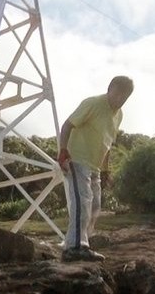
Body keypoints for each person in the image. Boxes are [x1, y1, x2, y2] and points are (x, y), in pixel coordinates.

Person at [57, 76, 133, 262]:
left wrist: (106, 170)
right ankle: (75, 247)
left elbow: (107, 143)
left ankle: (80, 242)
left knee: (95, 206)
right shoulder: (93, 103)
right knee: (82, 202)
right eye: (117, 94)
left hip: (95, 167)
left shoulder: (119, 115)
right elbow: (67, 125)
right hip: (76, 159)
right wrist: (63, 151)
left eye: (124, 96)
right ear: (109, 90)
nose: (119, 99)